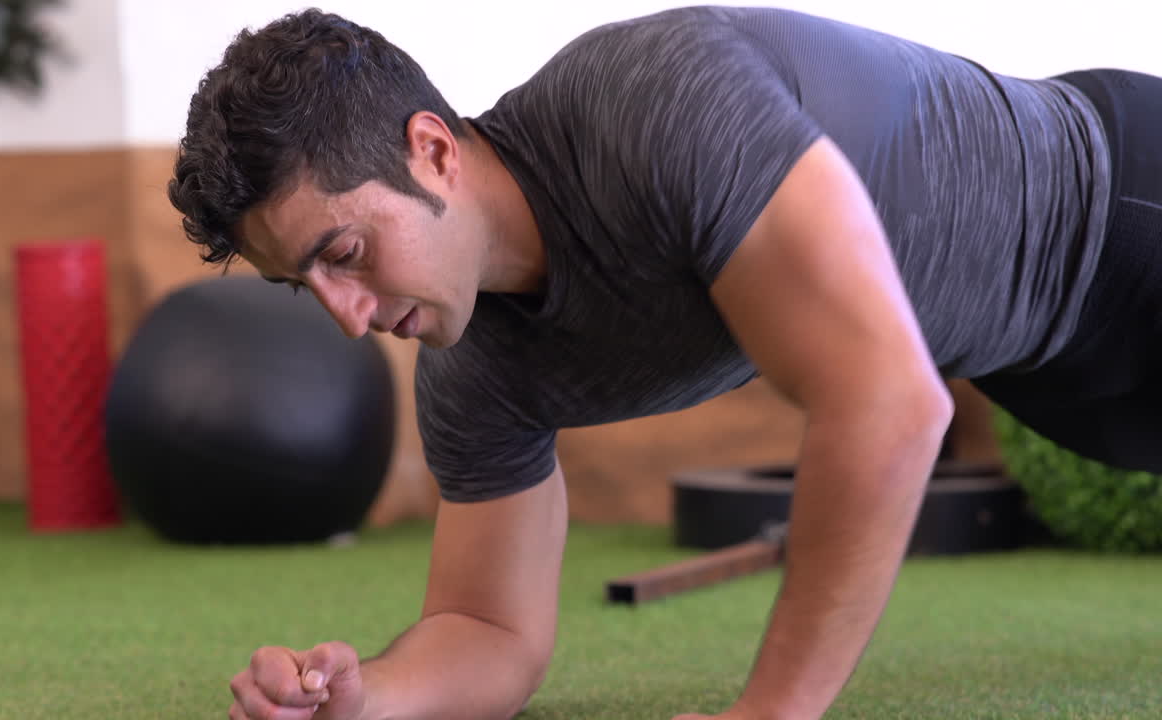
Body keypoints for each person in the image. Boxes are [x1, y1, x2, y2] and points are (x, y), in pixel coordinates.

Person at [167, 6, 1161, 719]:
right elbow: (487, 630)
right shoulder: (470, 364)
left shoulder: (659, 105)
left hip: (1126, 207)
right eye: (307, 286)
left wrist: (771, 711)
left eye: (342, 255)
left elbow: (887, 399)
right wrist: (365, 695)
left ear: (430, 149)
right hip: (1048, 366)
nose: (345, 320)